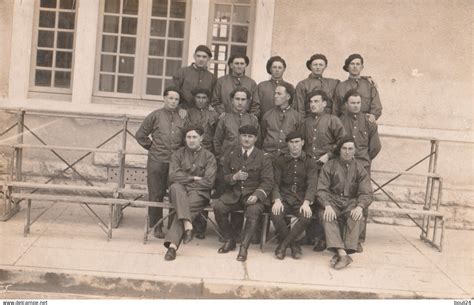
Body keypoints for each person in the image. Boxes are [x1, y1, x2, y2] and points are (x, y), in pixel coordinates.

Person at [213, 125, 273, 262]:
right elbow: (223, 177)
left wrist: (257, 195)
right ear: (240, 137)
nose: (246, 139)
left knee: (253, 212)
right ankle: (229, 239)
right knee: (218, 207)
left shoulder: (263, 157)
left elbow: (268, 181)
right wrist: (234, 177)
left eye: (250, 136)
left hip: (252, 196)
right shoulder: (231, 154)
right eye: (244, 136)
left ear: (255, 139)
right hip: (234, 195)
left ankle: (244, 247)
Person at [298, 90, 346, 251]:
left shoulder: (333, 120)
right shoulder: (305, 122)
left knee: (322, 199)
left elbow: (343, 141)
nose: (313, 105)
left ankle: (322, 238)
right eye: (311, 102)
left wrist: (329, 154)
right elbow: (301, 142)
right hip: (309, 166)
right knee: (308, 196)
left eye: (317, 101)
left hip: (327, 167)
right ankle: (309, 235)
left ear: (324, 104)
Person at [135, 87, 185, 238]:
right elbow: (140, 135)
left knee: (174, 193)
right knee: (156, 193)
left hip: (175, 163)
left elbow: (186, 138)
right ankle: (156, 226)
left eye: (176, 99)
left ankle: (172, 226)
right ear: (164, 98)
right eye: (170, 98)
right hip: (157, 161)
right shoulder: (155, 115)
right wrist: (152, 147)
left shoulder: (182, 117)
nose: (173, 102)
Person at [316, 137, 373, 269]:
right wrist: (327, 205)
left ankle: (341, 253)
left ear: (355, 151)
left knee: (356, 216)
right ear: (339, 150)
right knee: (326, 215)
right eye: (344, 148)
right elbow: (321, 189)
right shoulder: (330, 165)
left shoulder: (360, 168)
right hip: (332, 201)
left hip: (350, 203)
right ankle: (343, 254)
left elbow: (366, 192)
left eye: (350, 149)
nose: (347, 152)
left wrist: (360, 206)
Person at [163, 126, 217, 261]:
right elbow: (172, 176)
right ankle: (187, 223)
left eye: (194, 137)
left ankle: (172, 247)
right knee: (175, 187)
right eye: (188, 137)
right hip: (180, 191)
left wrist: (186, 181)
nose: (191, 140)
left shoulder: (209, 157)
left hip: (199, 194)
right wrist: (192, 178)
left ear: (201, 138)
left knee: (183, 206)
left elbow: (209, 182)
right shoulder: (178, 154)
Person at [339, 89, 382, 251]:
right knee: (343, 197)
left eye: (358, 103)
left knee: (362, 199)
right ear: (346, 104)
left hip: (362, 166)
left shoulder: (369, 122)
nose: (356, 106)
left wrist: (364, 160)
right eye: (352, 103)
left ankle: (358, 239)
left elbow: (375, 146)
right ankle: (342, 236)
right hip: (344, 165)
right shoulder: (340, 121)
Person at [271, 131, 318, 260]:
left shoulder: (309, 161)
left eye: (297, 142)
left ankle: (283, 246)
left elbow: (312, 184)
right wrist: (277, 199)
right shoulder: (280, 160)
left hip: (301, 198)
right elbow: (274, 182)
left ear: (302, 142)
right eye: (291, 142)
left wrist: (307, 202)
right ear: (287, 144)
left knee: (306, 215)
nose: (294, 145)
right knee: (275, 214)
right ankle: (294, 246)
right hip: (284, 197)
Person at [334, 54, 382, 121]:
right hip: (345, 122)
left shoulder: (369, 85)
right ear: (347, 67)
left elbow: (376, 106)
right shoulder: (341, 86)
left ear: (362, 67)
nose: (355, 66)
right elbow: (335, 109)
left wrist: (373, 116)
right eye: (352, 64)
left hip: (364, 122)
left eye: (358, 64)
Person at [261, 83, 303, 159]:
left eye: (279, 94)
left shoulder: (297, 117)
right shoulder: (267, 115)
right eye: (275, 93)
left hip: (288, 158)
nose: (275, 96)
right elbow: (262, 135)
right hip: (268, 157)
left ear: (288, 97)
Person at [173, 45, 217, 109]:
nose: (201, 59)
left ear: (209, 59)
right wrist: (179, 108)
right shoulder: (182, 73)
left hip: (203, 114)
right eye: (198, 56)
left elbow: (213, 98)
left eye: (204, 57)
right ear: (194, 56)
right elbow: (173, 92)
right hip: (183, 111)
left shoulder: (212, 78)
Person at [184, 88, 219, 154]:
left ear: (207, 99)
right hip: (190, 148)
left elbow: (217, 135)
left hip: (208, 149)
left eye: (204, 98)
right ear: (194, 98)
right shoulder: (188, 113)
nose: (201, 100)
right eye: (198, 97)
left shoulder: (214, 114)